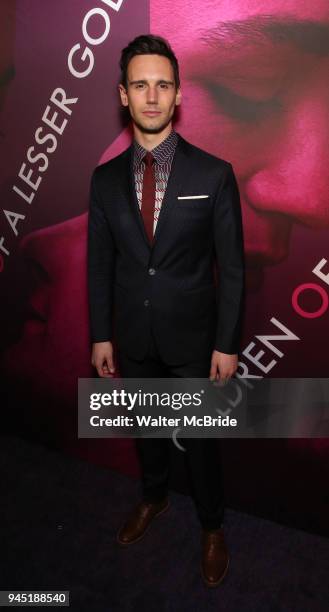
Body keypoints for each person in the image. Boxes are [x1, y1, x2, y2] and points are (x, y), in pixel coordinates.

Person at [87, 34, 245, 588]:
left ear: (177, 96)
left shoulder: (213, 174)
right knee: (147, 432)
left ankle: (212, 525)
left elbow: (235, 268)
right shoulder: (104, 180)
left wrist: (227, 343)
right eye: (139, 84)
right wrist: (101, 335)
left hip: (196, 343)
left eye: (163, 84)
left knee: (201, 445)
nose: (151, 96)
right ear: (122, 95)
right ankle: (153, 498)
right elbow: (101, 264)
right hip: (133, 335)